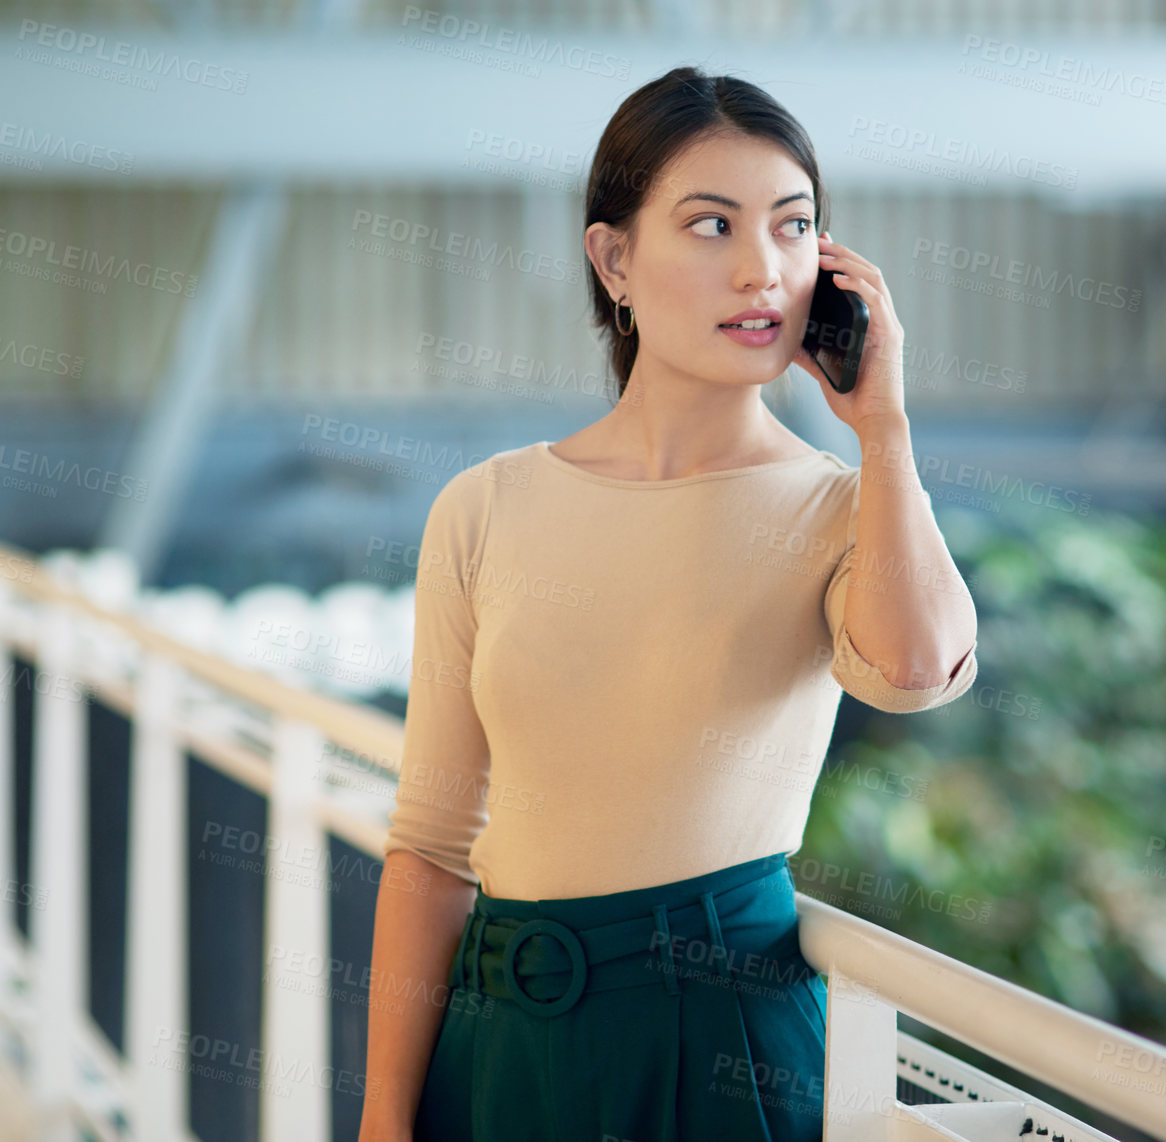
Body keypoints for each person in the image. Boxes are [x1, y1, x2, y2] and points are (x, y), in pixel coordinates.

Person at [358, 65, 980, 1142]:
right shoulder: (486, 505)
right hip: (500, 1034)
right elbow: (428, 845)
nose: (762, 269)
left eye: (794, 229)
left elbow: (916, 670)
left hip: (724, 1042)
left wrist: (883, 430)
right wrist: (381, 1116)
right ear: (614, 260)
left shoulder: (840, 505)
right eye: (711, 225)